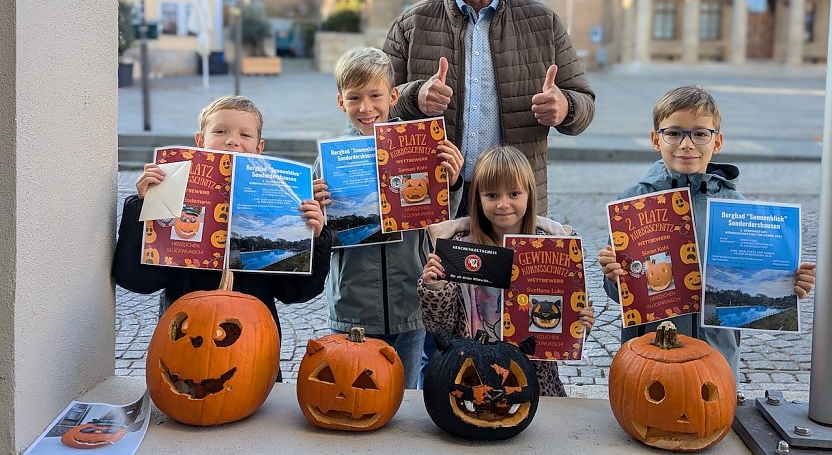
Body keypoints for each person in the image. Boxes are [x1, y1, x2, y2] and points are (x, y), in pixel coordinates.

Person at [383, 0, 596, 216]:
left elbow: (585, 104)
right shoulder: (411, 23)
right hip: (434, 197)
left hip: (513, 205)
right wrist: (413, 97)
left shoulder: (543, 22)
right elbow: (375, 106)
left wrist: (565, 108)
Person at [597, 86, 816, 381]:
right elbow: (620, 295)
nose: (686, 144)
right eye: (674, 133)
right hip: (651, 351)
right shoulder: (633, 204)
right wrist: (613, 277)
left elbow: (762, 287)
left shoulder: (739, 211)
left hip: (716, 357)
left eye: (700, 134)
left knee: (709, 412)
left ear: (718, 141)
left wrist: (790, 284)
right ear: (655, 139)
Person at [113, 95, 333, 382]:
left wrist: (316, 236)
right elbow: (137, 280)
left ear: (259, 148)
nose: (232, 141)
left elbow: (295, 292)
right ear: (199, 140)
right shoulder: (174, 194)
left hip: (254, 350)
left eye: (245, 134)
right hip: (185, 341)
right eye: (220, 131)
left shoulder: (284, 201)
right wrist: (142, 207)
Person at [313, 47, 464, 389]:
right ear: (341, 102)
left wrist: (452, 182)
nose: (366, 108)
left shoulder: (420, 147)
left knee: (405, 392)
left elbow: (442, 222)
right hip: (352, 303)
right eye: (354, 98)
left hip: (409, 300)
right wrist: (318, 211)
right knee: (352, 387)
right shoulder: (328, 160)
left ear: (393, 96)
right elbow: (322, 236)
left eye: (375, 95)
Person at [418, 146, 595, 397]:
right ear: (478, 199)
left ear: (529, 194)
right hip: (473, 375)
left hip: (533, 378)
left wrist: (580, 324)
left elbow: (560, 326)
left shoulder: (552, 247)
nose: (503, 204)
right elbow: (442, 327)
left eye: (513, 193)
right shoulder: (460, 247)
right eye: (491, 195)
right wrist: (435, 287)